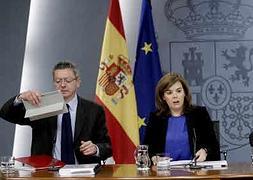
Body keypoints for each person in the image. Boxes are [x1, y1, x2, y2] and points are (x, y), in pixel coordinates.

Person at [0, 61, 112, 164]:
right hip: (48, 172)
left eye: (67, 80)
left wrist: (95, 149)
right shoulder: (41, 106)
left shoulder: (93, 110)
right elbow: (6, 114)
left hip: (82, 171)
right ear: (54, 83)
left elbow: (108, 147)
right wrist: (20, 98)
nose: (63, 85)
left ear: (77, 82)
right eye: (58, 81)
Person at [144, 72, 220, 163]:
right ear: (163, 97)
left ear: (184, 93)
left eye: (179, 91)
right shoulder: (156, 118)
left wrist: (205, 151)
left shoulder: (199, 114)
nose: (175, 96)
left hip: (195, 172)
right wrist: (154, 158)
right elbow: (146, 149)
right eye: (169, 92)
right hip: (165, 172)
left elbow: (213, 146)